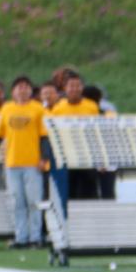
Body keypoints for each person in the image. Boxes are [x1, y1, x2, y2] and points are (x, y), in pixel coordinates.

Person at [0, 77, 50, 247]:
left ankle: (35, 237)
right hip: (12, 163)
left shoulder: (38, 109)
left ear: (30, 91)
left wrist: (44, 158)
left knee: (33, 202)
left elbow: (44, 137)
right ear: (13, 92)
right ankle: (21, 237)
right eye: (19, 87)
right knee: (17, 202)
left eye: (26, 87)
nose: (23, 90)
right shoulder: (7, 109)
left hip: (33, 163)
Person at [49, 68, 100, 200]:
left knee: (89, 193)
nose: (75, 89)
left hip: (88, 156)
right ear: (65, 88)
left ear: (82, 87)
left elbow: (97, 132)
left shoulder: (92, 106)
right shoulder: (58, 108)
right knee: (69, 193)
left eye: (78, 86)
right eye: (71, 86)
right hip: (67, 156)